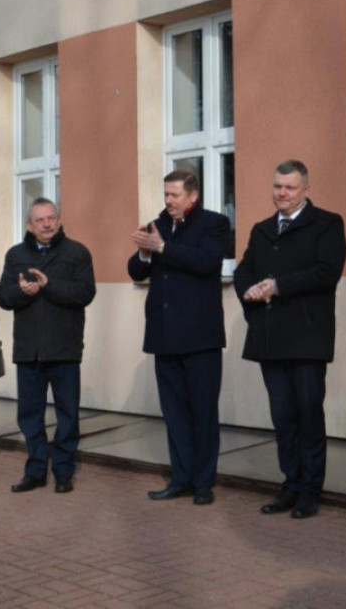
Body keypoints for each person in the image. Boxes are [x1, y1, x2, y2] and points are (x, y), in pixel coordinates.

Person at [233, 160, 346, 519]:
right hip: (270, 338)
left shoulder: (327, 224)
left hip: (307, 338)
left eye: (290, 188)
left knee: (308, 415)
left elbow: (327, 273)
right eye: (277, 186)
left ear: (305, 189)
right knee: (282, 417)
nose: (282, 193)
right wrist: (249, 290)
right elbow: (244, 271)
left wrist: (278, 286)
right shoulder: (262, 229)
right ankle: (290, 484)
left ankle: (311, 489)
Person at [128, 170, 229, 506]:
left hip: (200, 336)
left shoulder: (213, 223)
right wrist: (144, 253)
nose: (168, 201)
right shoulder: (157, 224)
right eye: (166, 194)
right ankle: (180, 478)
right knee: (174, 414)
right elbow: (136, 271)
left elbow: (206, 263)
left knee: (202, 412)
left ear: (193, 196)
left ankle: (203, 483)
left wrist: (162, 247)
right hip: (164, 335)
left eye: (174, 195)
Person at [0, 198, 96, 494]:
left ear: (59, 220)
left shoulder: (76, 252)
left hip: (64, 348)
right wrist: (22, 291)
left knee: (67, 413)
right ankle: (36, 470)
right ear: (29, 225)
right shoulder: (16, 255)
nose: (47, 224)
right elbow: (3, 297)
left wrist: (48, 284)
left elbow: (85, 292)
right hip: (28, 350)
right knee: (29, 415)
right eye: (40, 220)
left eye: (51, 218)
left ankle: (63, 471)